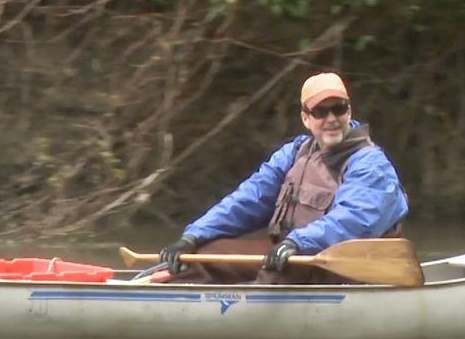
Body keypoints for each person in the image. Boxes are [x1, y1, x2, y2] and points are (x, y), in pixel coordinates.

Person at [157, 72, 407, 284]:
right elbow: (248, 199)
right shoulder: (294, 153)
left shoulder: (370, 164)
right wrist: (193, 236)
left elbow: (354, 221)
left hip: (347, 267)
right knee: (207, 255)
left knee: (275, 271)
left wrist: (297, 243)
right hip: (296, 254)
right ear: (306, 118)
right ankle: (165, 284)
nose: (331, 119)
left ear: (349, 110)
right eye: (320, 111)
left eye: (338, 109)